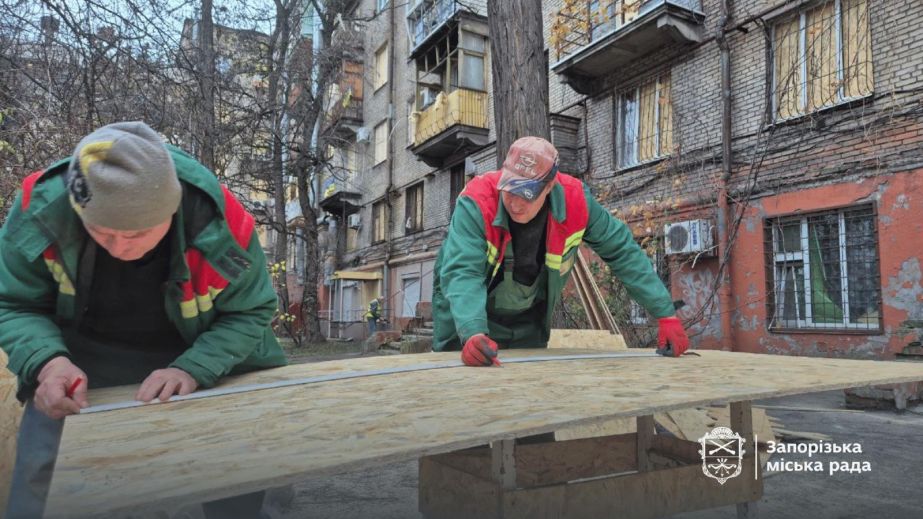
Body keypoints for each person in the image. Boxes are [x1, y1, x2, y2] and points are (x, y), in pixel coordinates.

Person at [0, 121, 288, 519]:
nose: (120, 247)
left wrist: (195, 368)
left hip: (203, 350)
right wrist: (47, 363)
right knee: (41, 470)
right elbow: (13, 304)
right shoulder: (40, 210)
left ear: (171, 209)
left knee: (239, 469)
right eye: (102, 232)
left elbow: (252, 310)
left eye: (138, 234)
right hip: (78, 359)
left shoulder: (220, 222)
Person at [432, 136, 690, 366]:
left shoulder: (575, 200)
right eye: (510, 189)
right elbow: (462, 272)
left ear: (549, 186)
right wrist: (472, 331)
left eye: (527, 193)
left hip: (528, 319)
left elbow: (622, 250)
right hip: (463, 316)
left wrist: (664, 312)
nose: (516, 203)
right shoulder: (477, 201)